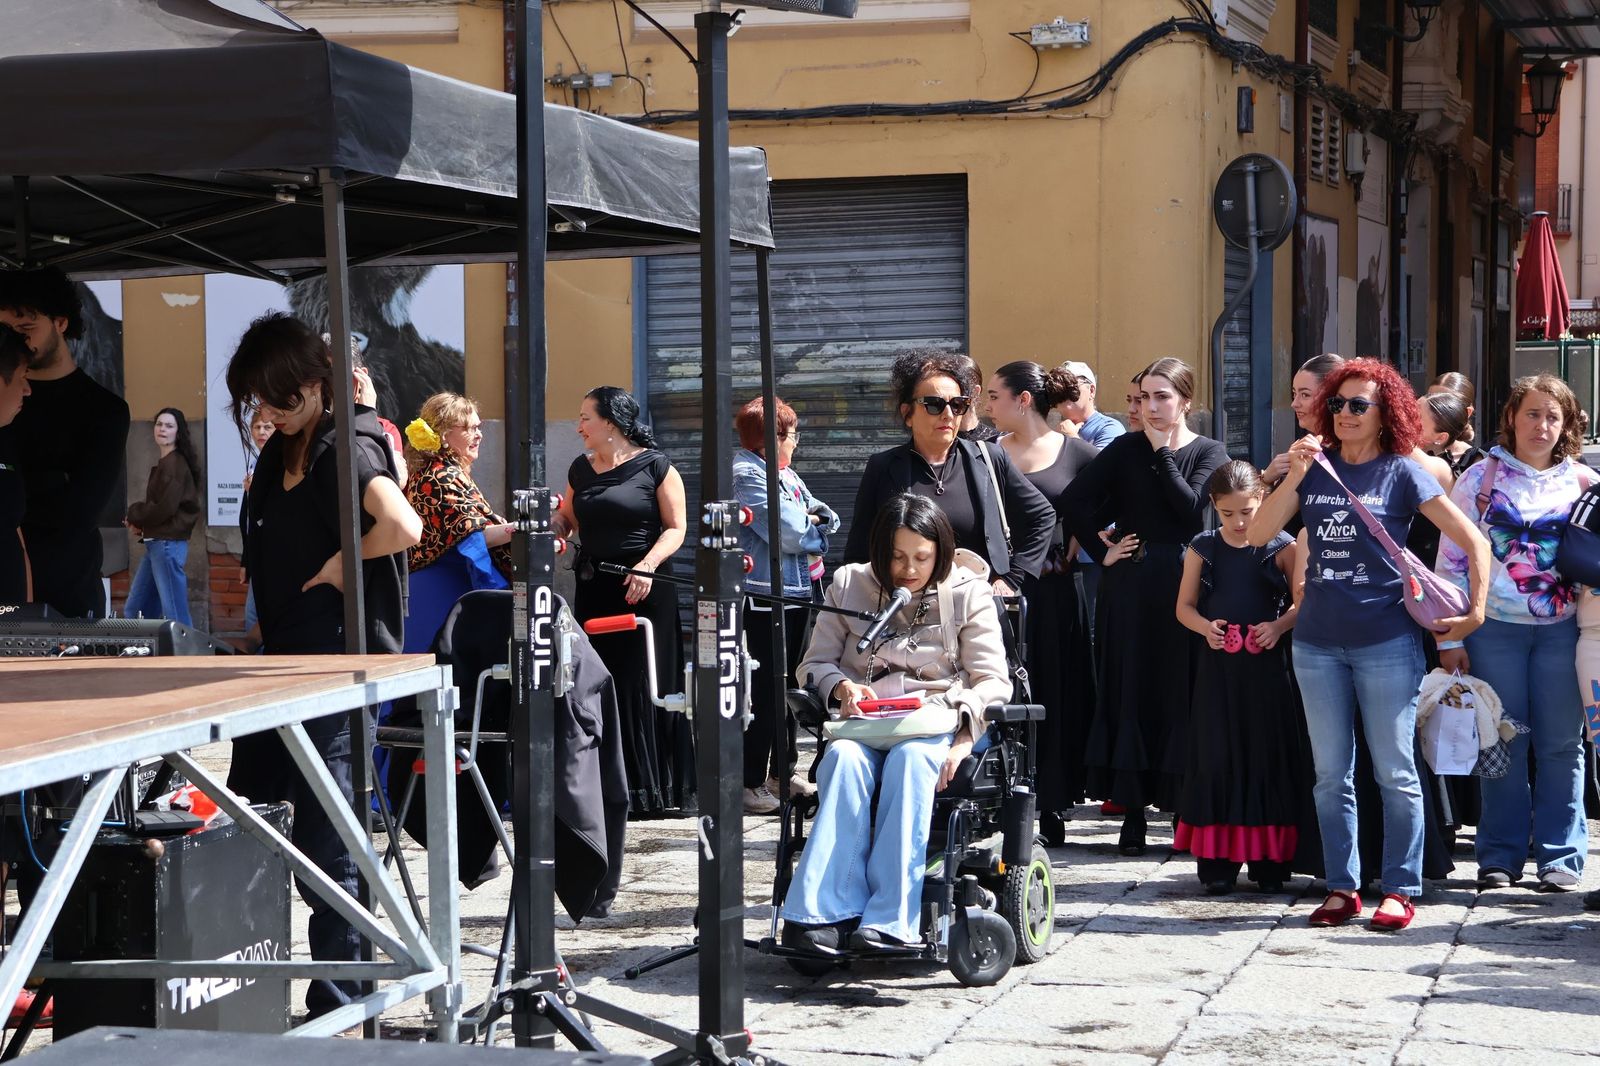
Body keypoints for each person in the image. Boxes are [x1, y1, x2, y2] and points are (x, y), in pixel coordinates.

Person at [223, 312, 422, 1017]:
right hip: (281, 664)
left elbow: (403, 526)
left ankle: (342, 996)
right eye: (259, 400)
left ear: (315, 384)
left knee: (328, 834)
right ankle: (250, 983)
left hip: (337, 667)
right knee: (252, 817)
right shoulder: (283, 450)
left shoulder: (347, 445)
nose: (270, 412)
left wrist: (345, 563)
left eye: (281, 398)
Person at [1250, 357, 1488, 932]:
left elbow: (1473, 541)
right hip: (1316, 644)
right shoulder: (1315, 468)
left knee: (1395, 771)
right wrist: (1295, 475)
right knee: (1331, 775)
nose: (1346, 413)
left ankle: (1401, 887)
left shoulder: (1403, 472)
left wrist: (1475, 612)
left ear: (1387, 414)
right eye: (1337, 403)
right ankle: (1342, 886)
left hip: (1387, 641)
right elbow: (1257, 533)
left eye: (1360, 404)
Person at [780, 494, 1012, 953]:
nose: (909, 569)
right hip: (866, 722)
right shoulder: (849, 583)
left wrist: (964, 738)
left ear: (940, 552)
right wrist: (841, 687)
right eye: (897, 557)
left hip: (934, 720)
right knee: (842, 761)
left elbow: (992, 680)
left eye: (922, 558)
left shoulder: (968, 591)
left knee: (910, 762)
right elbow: (814, 663)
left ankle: (890, 918)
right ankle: (823, 913)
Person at [1061, 357, 1230, 855]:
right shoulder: (1125, 448)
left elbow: (1190, 509)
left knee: (1182, 688)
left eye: (1162, 397)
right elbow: (1073, 500)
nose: (1150, 407)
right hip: (1131, 583)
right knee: (1131, 688)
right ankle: (1132, 813)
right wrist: (1102, 550)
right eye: (1144, 397)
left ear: (1185, 402)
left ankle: (1181, 812)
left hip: (1187, 580)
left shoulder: (1209, 450)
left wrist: (1163, 453)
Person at [1437, 374, 1591, 893]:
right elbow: (1451, 562)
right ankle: (1499, 856)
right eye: (1532, 413)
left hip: (1562, 631)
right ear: (1511, 418)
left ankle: (1561, 857)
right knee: (1501, 742)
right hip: (1493, 630)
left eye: (1552, 416)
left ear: (1566, 425)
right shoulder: (1478, 478)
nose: (1541, 425)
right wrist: (1450, 637)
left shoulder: (1584, 483)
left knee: (1561, 745)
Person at [555, 386, 695, 817]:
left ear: (611, 423)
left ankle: (654, 791)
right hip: (595, 588)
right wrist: (554, 528)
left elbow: (676, 528)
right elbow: (568, 518)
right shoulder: (581, 468)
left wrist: (647, 565)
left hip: (644, 589)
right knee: (600, 680)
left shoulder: (657, 466)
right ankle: (608, 787)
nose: (579, 426)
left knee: (641, 682)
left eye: (585, 418)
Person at [1174, 461, 1303, 894]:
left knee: (1266, 754)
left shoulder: (1282, 545)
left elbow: (1302, 602)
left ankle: (1269, 862)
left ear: (1262, 500)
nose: (1239, 522)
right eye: (1228, 513)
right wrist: (1205, 628)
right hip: (1218, 673)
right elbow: (1184, 607)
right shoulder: (1202, 547)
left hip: (1268, 674)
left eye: (1247, 511)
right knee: (1217, 755)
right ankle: (1218, 863)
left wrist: (1278, 626)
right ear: (1214, 505)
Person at [987, 360, 1100, 844]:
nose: (987, 405)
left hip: (1055, 591)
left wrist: (1093, 541)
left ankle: (1053, 800)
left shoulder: (1079, 451)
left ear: (1024, 400)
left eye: (995, 396)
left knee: (1054, 691)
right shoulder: (987, 453)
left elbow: (1111, 503)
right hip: (998, 591)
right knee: (1002, 690)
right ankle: (1001, 794)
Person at [845, 350, 1053, 597]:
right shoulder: (883, 467)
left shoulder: (989, 458)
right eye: (934, 404)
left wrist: (1012, 578)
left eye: (957, 405)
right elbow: (859, 549)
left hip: (978, 605)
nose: (948, 414)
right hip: (908, 606)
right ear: (907, 413)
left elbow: (1042, 516)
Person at [0, 267, 129, 617]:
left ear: (60, 322)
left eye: (26, 329)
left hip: (70, 595)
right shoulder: (4, 398)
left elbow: (81, 512)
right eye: (5, 331)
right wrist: (51, 482)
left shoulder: (104, 410)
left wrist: (15, 496)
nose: (15, 341)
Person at [733, 396, 839, 815]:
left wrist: (813, 520)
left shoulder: (782, 472)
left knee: (793, 685)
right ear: (771, 438)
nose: (796, 442)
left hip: (799, 591)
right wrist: (812, 523)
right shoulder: (747, 474)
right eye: (793, 435)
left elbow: (822, 513)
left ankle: (782, 773)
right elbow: (791, 532)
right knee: (767, 688)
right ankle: (750, 781)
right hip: (768, 594)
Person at [403, 392, 515, 580]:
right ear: (444, 435)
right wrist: (522, 528)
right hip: (446, 583)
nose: (479, 435)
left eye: (479, 427)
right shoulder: (440, 478)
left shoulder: (442, 471)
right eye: (471, 428)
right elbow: (472, 535)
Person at [123, 407, 201, 626]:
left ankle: (186, 649)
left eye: (169, 426)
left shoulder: (175, 464)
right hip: (157, 544)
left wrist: (134, 513)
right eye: (159, 424)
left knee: (175, 614)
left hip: (166, 545)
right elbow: (163, 510)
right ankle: (144, 648)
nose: (162, 429)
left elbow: (163, 508)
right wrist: (143, 526)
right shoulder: (168, 462)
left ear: (179, 432)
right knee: (137, 610)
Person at [0, 328, 31, 605]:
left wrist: (27, 613)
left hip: (13, 620)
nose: (27, 389)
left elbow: (14, 529)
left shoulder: (5, 441)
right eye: (22, 377)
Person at [1054, 360, 1125, 449]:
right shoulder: (1056, 432)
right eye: (1058, 389)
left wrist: (1072, 437)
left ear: (1091, 391)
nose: (1064, 394)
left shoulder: (1110, 428)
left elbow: (1102, 458)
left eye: (1071, 387)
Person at [1429, 372, 1481, 473]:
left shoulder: (1478, 462)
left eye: (1444, 405)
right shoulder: (1410, 449)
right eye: (1429, 400)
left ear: (1467, 412)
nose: (1433, 411)